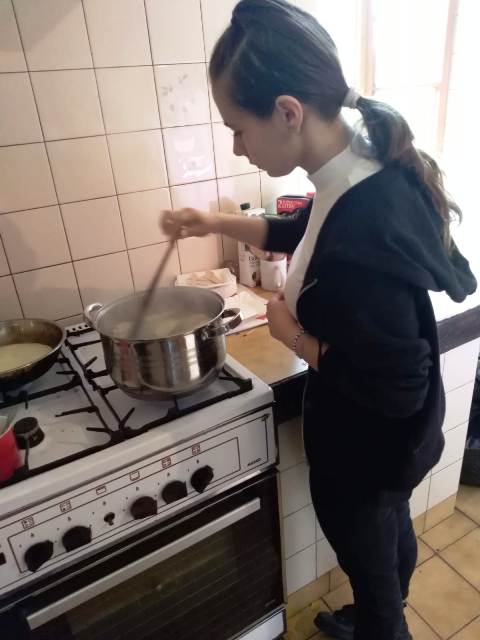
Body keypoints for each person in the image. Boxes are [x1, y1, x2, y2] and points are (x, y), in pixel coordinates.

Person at [162, 1, 477, 638]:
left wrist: (294, 337)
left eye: (238, 129)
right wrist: (212, 222)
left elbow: (398, 384)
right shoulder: (353, 164)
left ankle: (382, 625)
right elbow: (303, 228)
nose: (236, 146)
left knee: (371, 565)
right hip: (386, 447)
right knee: (385, 538)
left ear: (288, 112)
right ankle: (378, 610)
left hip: (371, 445)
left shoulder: (367, 222)